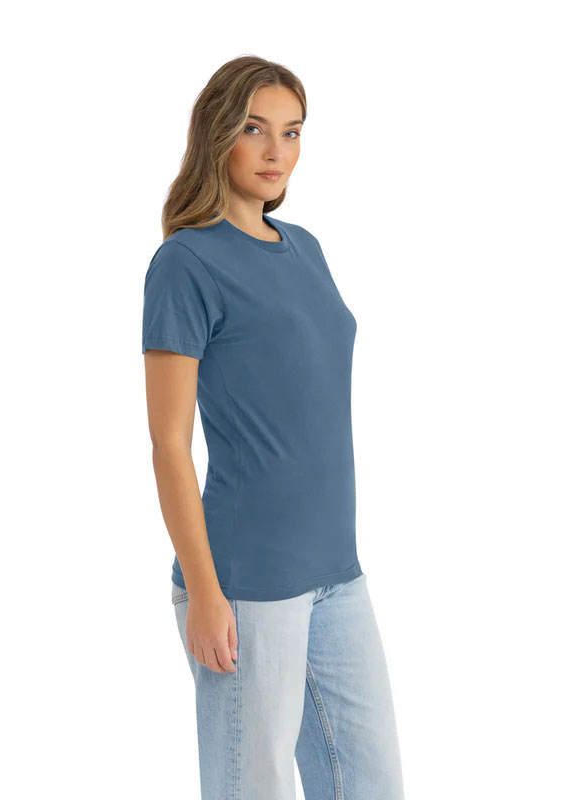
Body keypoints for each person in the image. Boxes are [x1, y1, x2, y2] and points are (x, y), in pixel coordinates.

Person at [142, 55, 405, 800]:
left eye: (291, 132)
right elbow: (168, 444)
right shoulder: (185, 263)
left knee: (374, 785)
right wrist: (205, 591)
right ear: (217, 133)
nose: (275, 151)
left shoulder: (306, 248)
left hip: (336, 573)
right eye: (255, 129)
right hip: (246, 581)